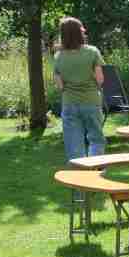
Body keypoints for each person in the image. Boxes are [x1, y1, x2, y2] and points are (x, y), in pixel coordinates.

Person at [52, 16, 105, 162]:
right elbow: (100, 79)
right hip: (91, 101)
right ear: (79, 32)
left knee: (73, 143)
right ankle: (95, 168)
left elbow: (60, 85)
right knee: (96, 139)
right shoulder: (92, 52)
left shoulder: (58, 56)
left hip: (69, 103)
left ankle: (78, 171)